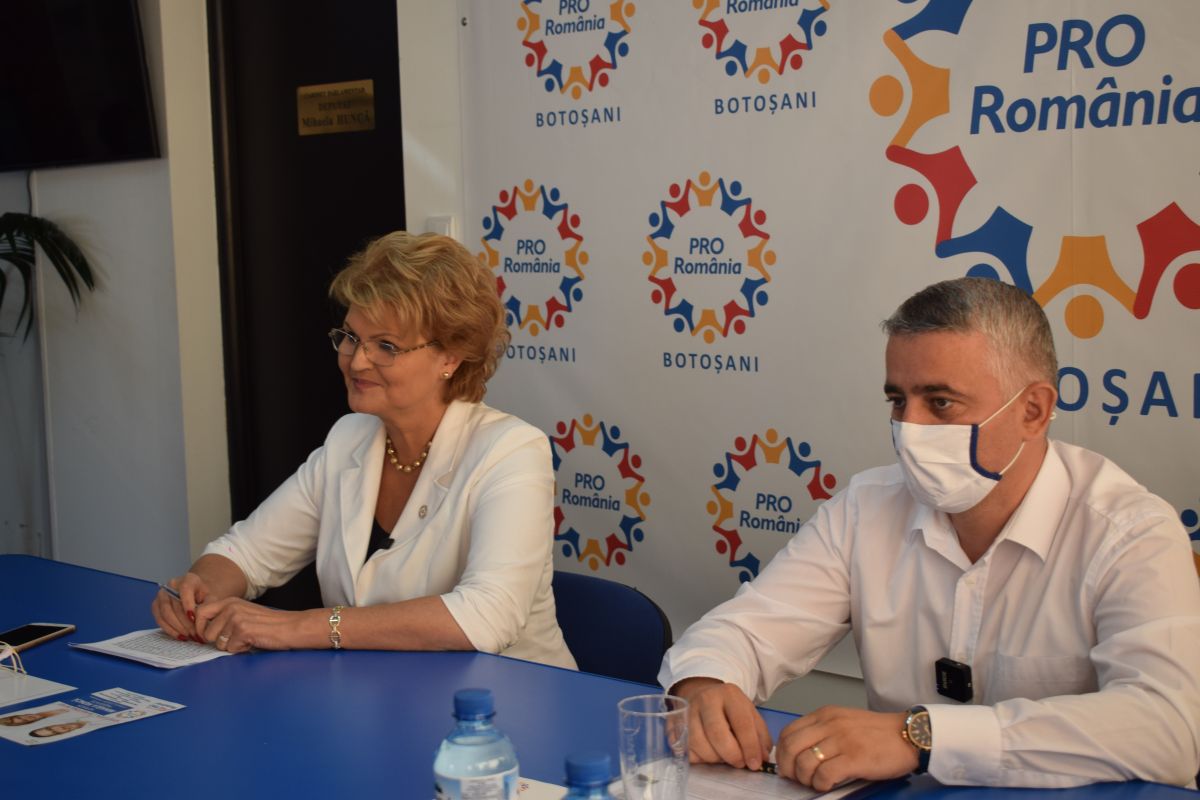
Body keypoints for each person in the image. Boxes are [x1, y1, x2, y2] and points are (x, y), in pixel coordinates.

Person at [659, 277, 1200, 789]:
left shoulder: (1130, 533)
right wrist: (704, 683)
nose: (909, 429)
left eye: (940, 403)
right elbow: (749, 628)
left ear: (1033, 411)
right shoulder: (866, 508)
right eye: (898, 401)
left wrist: (920, 736)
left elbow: (1168, 727)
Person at [152, 232, 575, 669]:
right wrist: (198, 589)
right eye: (351, 337)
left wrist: (297, 627)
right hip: (379, 693)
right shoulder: (350, 437)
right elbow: (247, 553)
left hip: (507, 699)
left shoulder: (511, 450)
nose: (356, 361)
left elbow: (487, 616)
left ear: (451, 357)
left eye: (386, 346)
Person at [0, 708, 66, 726]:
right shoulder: (55, 720)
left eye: (19, 717)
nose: (27, 718)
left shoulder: (39, 707)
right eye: (25, 720)